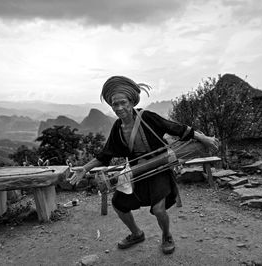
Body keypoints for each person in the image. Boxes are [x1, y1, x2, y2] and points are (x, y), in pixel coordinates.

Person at [70, 76, 218, 254]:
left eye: (123, 102)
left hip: (160, 168)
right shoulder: (117, 128)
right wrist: (85, 168)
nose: (119, 108)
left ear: (131, 101)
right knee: (118, 204)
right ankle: (136, 233)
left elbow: (177, 128)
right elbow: (105, 154)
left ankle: (166, 235)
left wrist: (204, 138)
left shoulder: (147, 117)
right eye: (114, 105)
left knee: (158, 209)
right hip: (135, 172)